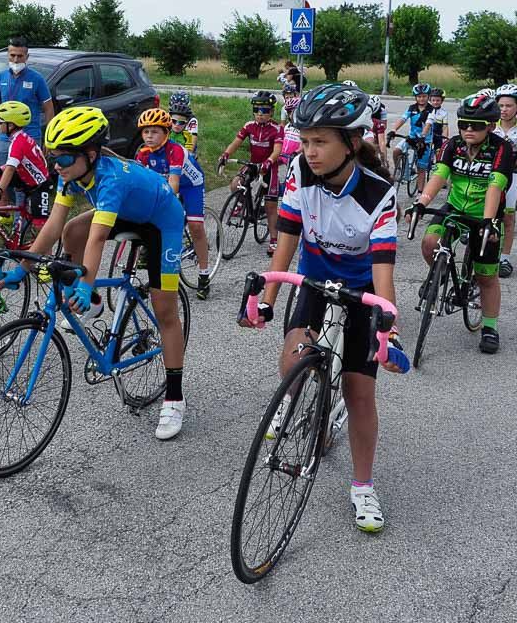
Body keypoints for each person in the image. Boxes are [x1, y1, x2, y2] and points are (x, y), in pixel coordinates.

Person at [241, 83, 405, 533]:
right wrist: (267, 301)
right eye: (305, 140)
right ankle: (293, 397)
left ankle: (363, 485)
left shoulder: (378, 194)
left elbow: (384, 271)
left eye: (320, 142)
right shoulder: (299, 170)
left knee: (359, 392)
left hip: (361, 287)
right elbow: (287, 239)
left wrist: (389, 330)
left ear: (351, 143)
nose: (308, 151)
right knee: (292, 357)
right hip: (313, 278)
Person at [0, 106, 189, 440]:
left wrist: (85, 283)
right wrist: (23, 267)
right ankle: (96, 302)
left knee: (165, 311)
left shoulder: (111, 178)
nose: (57, 165)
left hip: (162, 222)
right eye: (53, 156)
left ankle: (174, 398)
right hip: (128, 212)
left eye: (63, 158)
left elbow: (98, 239)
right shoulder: (69, 173)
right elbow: (54, 226)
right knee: (72, 230)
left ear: (90, 154)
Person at [411, 93, 512, 354]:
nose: (468, 130)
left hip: (485, 213)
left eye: (476, 125)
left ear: (491, 126)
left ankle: (489, 327)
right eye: (463, 124)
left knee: (486, 276)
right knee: (429, 242)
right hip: (455, 207)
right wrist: (422, 202)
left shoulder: (501, 148)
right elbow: (439, 175)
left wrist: (488, 221)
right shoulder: (452, 145)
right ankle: (441, 273)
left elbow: (495, 186)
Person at [135, 108, 210, 300]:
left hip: (191, 185)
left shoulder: (174, 151)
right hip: (166, 182)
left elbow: (174, 185)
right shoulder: (143, 154)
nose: (149, 136)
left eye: (154, 132)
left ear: (166, 133)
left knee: (195, 226)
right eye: (145, 132)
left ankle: (204, 275)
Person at [218, 91, 283, 255]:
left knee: (270, 206)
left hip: (269, 167)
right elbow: (236, 142)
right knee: (235, 184)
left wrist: (269, 161)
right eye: (257, 110)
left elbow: (277, 150)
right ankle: (243, 205)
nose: (260, 114)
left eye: (265, 110)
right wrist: (225, 155)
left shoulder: (277, 129)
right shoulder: (249, 126)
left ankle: (274, 240)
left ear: (271, 112)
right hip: (253, 164)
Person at [0, 36, 55, 170]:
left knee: (28, 176)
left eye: (20, 56)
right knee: (2, 174)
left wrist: (49, 138)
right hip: (5, 137)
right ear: (8, 55)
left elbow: (49, 108)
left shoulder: (37, 79)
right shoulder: (1, 77)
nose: (16, 60)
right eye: (12, 55)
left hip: (30, 136)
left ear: (27, 57)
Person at [0, 101, 53, 227]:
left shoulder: (18, 143)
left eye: (0, 122)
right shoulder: (18, 138)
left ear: (10, 125)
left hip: (40, 185)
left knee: (40, 225)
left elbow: (11, 169)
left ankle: (47, 240)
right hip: (26, 178)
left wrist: (0, 189)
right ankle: (4, 212)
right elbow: (13, 165)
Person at [491, 85, 517, 278]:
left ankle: (504, 259)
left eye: (509, 106)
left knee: (508, 218)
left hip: (510, 173)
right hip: (490, 172)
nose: (504, 110)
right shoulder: (491, 125)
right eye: (500, 105)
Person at [387, 83, 432, 178]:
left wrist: (423, 136)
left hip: (424, 141)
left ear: (428, 96)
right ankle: (399, 169)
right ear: (415, 97)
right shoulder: (412, 108)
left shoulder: (431, 110)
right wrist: (394, 130)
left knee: (421, 168)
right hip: (412, 138)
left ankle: (418, 176)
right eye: (419, 96)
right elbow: (403, 119)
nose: (422, 99)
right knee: (396, 151)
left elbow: (428, 124)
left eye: (424, 96)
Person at [421, 86, 450, 189]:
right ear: (430, 100)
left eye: (438, 100)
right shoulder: (426, 110)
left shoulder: (444, 113)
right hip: (427, 135)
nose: (435, 102)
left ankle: (442, 179)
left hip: (438, 136)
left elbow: (445, 127)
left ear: (442, 101)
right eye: (433, 100)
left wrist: (445, 139)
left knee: (440, 155)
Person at [168, 91, 199, 156]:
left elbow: (192, 139)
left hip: (185, 144)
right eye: (174, 121)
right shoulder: (167, 115)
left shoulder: (192, 120)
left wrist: (190, 153)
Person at [362, 94, 389, 168]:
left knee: (379, 142)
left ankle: (383, 160)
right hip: (369, 127)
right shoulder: (364, 109)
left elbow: (384, 126)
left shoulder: (382, 110)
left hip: (379, 123)